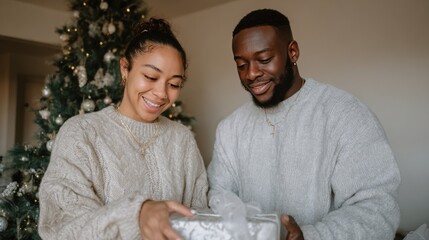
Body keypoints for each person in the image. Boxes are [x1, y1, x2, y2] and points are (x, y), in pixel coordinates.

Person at [207, 8, 400, 240]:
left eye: (264, 59)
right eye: (241, 65)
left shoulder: (346, 115)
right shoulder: (230, 129)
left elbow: (377, 210)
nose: (251, 74)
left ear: (293, 52)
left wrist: (311, 236)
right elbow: (218, 194)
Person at [38, 18, 208, 239]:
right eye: (151, 77)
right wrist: (136, 214)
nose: (162, 93)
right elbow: (64, 224)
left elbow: (199, 216)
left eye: (174, 84)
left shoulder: (182, 139)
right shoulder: (81, 132)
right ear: (125, 68)